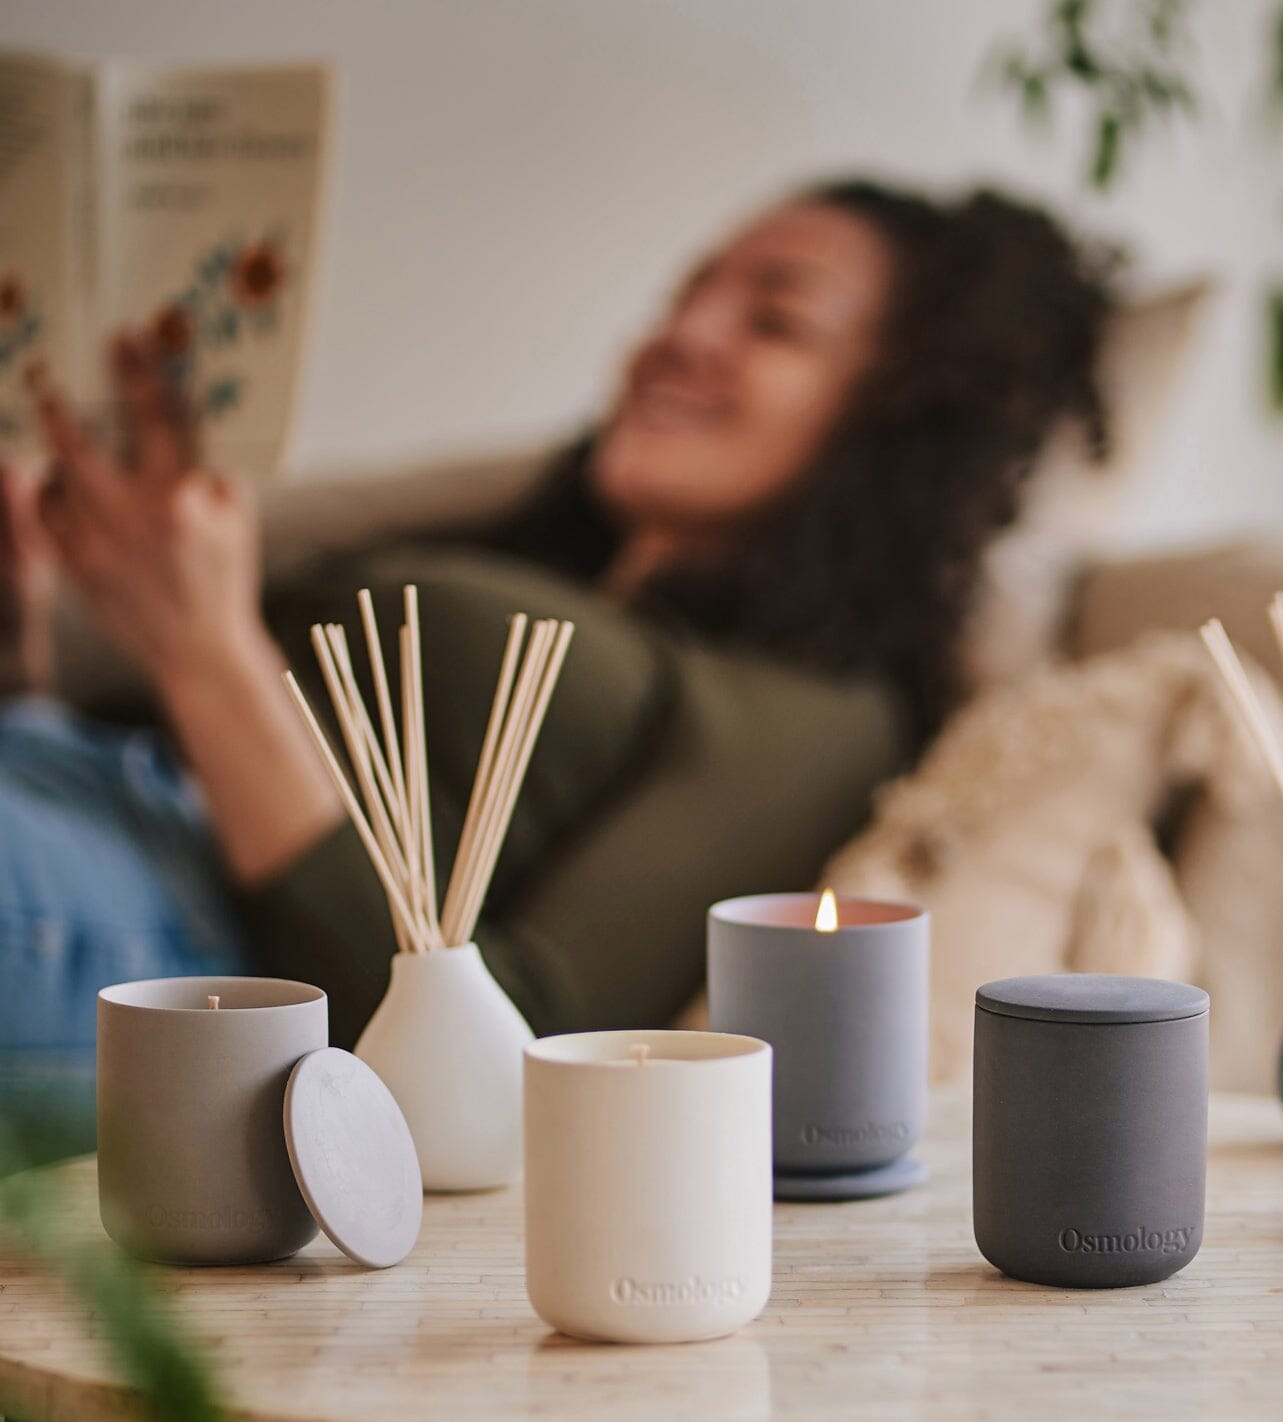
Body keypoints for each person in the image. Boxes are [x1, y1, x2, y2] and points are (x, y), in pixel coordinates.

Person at [0, 180, 1114, 1128]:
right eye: (686, 295)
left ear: (895, 413)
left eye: (772, 321)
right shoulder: (534, 561)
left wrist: (209, 656)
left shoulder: (813, 704)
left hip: (188, 947)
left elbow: (521, 1050)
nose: (681, 335)